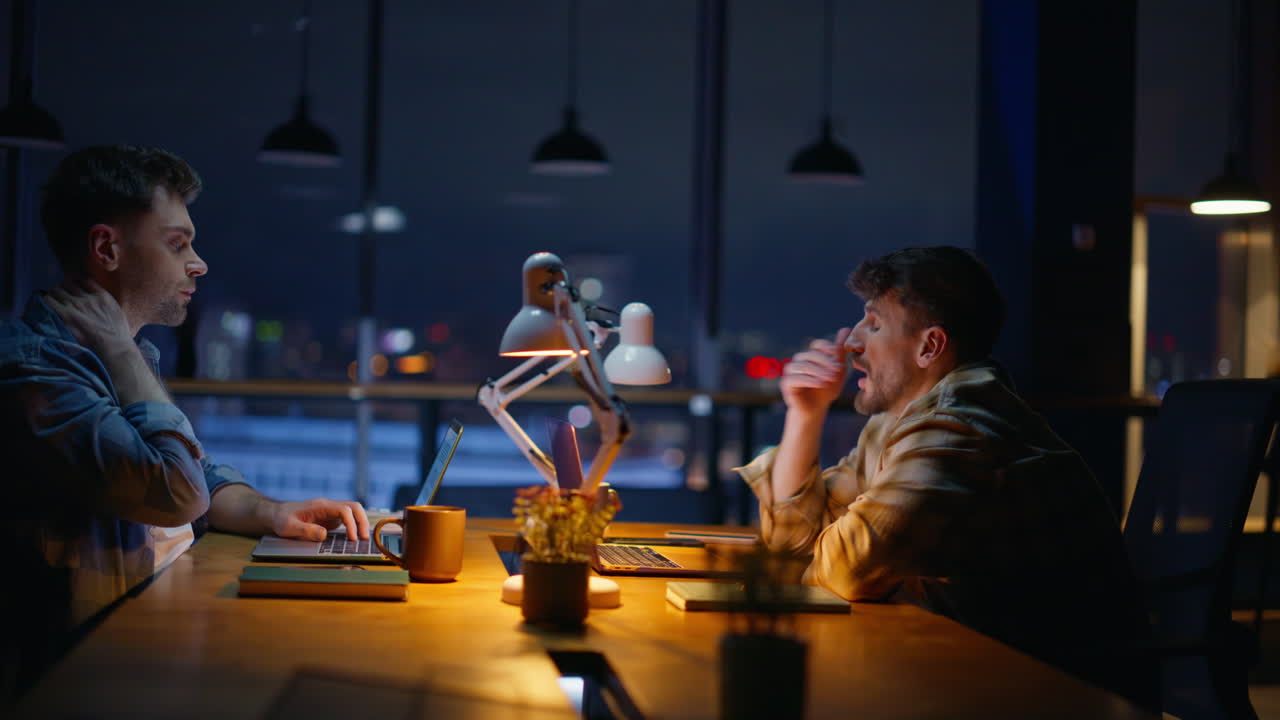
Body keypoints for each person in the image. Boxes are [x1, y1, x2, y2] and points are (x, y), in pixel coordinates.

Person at [0, 145, 370, 697]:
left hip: (150, 640)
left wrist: (270, 513)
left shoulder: (118, 359)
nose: (198, 263)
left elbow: (199, 474)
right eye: (177, 244)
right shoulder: (35, 372)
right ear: (107, 248)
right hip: (89, 678)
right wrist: (122, 353)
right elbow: (176, 490)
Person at [738, 246, 1156, 707]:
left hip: (1063, 697)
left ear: (930, 346)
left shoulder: (960, 425)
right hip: (981, 676)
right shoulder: (898, 421)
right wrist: (805, 413)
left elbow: (846, 570)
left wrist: (825, 556)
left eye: (874, 325)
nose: (851, 342)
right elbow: (791, 544)